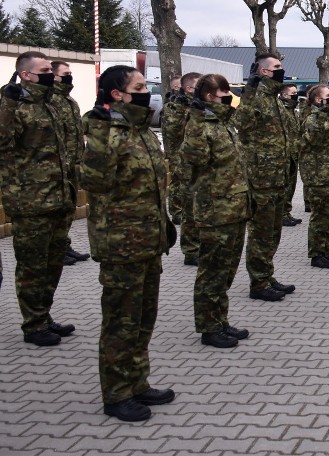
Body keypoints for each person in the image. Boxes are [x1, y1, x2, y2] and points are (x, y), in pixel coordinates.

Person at [80, 64, 175, 422]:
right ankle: (116, 393)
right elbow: (97, 181)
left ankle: (138, 381)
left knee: (143, 317)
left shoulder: (140, 129)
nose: (145, 90)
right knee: (121, 320)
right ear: (117, 95)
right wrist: (103, 131)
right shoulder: (104, 130)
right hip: (121, 242)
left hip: (148, 238)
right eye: (138, 86)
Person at [0, 51, 76, 347]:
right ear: (26, 75)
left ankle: (44, 314)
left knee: (53, 262)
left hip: (58, 196)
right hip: (30, 200)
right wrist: (7, 103)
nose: (51, 74)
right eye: (44, 70)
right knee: (32, 264)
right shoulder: (14, 106)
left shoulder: (50, 104)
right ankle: (33, 324)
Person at [182, 74, 250, 348]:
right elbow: (193, 164)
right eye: (225, 93)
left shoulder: (223, 124)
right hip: (214, 210)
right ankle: (209, 326)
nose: (229, 97)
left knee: (227, 269)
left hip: (234, 206)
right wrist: (197, 120)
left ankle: (220, 319)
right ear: (210, 96)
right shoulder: (199, 126)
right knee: (212, 270)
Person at [234, 53, 295, 302]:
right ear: (263, 72)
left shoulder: (275, 100)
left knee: (273, 231)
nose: (282, 71)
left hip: (279, 176)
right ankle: (258, 283)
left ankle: (267, 275)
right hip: (261, 178)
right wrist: (248, 92)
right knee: (261, 232)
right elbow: (242, 123)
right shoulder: (256, 98)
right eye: (277, 67)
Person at [50, 60, 91, 265]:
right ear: (54, 76)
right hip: (60, 166)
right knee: (60, 209)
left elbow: (77, 132)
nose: (69, 76)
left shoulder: (69, 100)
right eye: (66, 73)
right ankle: (57, 250)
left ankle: (64, 245)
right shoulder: (53, 100)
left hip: (74, 164)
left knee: (69, 208)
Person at [300, 85, 329, 268]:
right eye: (328, 95)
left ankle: (325, 251)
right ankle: (316, 254)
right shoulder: (314, 120)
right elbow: (309, 147)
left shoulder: (326, 118)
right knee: (319, 217)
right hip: (319, 177)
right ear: (319, 100)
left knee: (328, 215)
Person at [161, 72, 200, 241]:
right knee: (183, 194)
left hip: (198, 158)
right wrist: (180, 109)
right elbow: (172, 132)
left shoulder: (200, 105)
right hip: (181, 155)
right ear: (189, 88)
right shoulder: (174, 107)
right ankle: (176, 212)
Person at [279, 83, 303, 227]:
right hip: (285, 154)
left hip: (294, 153)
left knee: (291, 185)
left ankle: (286, 212)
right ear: (284, 95)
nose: (296, 95)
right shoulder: (282, 110)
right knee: (285, 185)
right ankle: (281, 214)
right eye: (293, 93)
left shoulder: (293, 110)